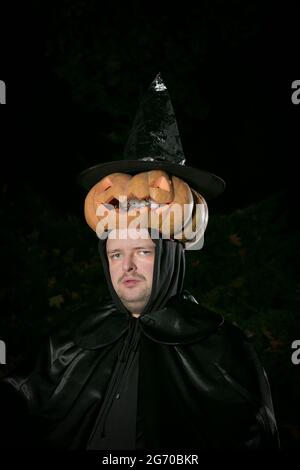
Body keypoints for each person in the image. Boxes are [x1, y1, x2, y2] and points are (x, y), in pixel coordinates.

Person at [0, 74, 279, 450]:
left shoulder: (221, 349)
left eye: (143, 252)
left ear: (169, 260)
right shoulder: (70, 340)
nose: (126, 266)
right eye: (117, 254)